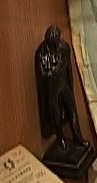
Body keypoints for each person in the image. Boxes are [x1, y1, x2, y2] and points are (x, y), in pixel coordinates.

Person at [35, 25, 87, 153]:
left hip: (64, 85)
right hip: (52, 88)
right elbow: (42, 74)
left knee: (72, 110)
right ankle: (60, 139)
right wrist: (52, 72)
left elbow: (68, 66)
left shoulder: (64, 47)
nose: (56, 45)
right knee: (55, 114)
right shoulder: (41, 53)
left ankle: (77, 137)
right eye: (53, 42)